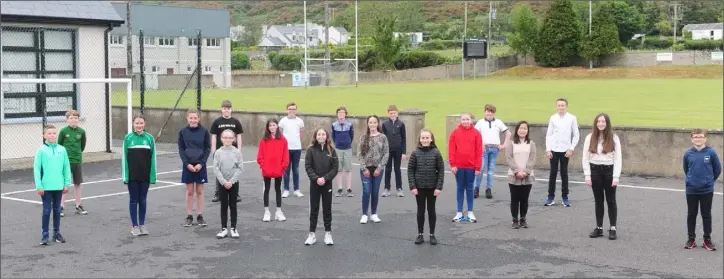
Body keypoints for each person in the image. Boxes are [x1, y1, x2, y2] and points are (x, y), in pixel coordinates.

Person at [582, 113, 622, 240]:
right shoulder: (590, 137)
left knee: (611, 200)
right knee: (598, 200)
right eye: (598, 121)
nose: (600, 123)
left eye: (603, 121)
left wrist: (616, 177)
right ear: (595, 123)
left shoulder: (614, 138)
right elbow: (585, 157)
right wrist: (587, 175)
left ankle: (613, 228)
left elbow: (618, 159)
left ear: (607, 123)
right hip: (595, 171)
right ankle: (599, 227)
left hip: (609, 171)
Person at [682, 129, 721, 251]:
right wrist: (691, 181)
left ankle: (707, 240)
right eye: (695, 137)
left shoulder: (711, 153)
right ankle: (691, 239)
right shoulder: (688, 154)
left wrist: (708, 181)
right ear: (692, 139)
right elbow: (686, 169)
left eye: (700, 136)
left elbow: (717, 169)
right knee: (691, 215)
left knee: (706, 215)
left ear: (705, 138)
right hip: (692, 190)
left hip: (706, 190)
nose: (698, 139)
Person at [34, 125, 71, 245]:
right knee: (46, 211)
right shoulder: (41, 150)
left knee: (57, 210)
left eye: (54, 133)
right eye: (49, 133)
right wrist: (39, 185)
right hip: (46, 187)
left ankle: (56, 234)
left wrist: (66, 183)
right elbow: (36, 169)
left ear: (57, 135)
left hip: (59, 186)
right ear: (44, 136)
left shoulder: (62, 149)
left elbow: (66, 167)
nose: (52, 135)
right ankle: (45, 235)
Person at [122, 114, 157, 236]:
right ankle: (134, 226)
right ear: (133, 124)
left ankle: (142, 224)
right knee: (133, 200)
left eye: (141, 123)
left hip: (145, 176)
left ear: (145, 124)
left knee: (142, 200)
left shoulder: (150, 138)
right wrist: (125, 176)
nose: (139, 125)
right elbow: (124, 159)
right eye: (137, 123)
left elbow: (153, 159)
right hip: (132, 176)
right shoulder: (128, 138)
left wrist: (152, 176)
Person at [408, 129, 444, 245]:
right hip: (419, 187)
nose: (425, 140)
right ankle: (420, 234)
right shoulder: (415, 153)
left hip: (432, 187)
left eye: (427, 138)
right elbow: (410, 170)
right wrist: (413, 186)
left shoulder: (436, 152)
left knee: (431, 210)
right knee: (420, 211)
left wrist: (438, 187)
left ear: (431, 139)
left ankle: (432, 234)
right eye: (423, 138)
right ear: (419, 139)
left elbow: (441, 170)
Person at [304, 128, 339, 246]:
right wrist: (316, 178)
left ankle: (328, 233)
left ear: (326, 136)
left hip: (327, 184)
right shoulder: (310, 150)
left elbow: (335, 168)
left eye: (323, 134)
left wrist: (325, 178)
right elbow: (308, 167)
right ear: (315, 136)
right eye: (319, 134)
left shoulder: (332, 150)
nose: (321, 136)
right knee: (314, 209)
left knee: (327, 209)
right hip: (315, 184)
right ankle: (311, 234)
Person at [178, 109, 211, 227]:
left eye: (195, 118)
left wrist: (201, 164)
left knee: (200, 191)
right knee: (190, 191)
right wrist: (187, 164)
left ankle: (200, 216)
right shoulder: (182, 132)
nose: (193, 120)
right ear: (187, 118)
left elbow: (207, 149)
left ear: (199, 119)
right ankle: (189, 216)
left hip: (200, 166)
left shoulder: (204, 132)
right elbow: (181, 149)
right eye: (190, 118)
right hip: (188, 166)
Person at [544, 98, 580, 207]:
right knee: (553, 174)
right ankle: (551, 197)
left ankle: (565, 197)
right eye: (559, 105)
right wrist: (548, 149)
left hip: (565, 150)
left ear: (566, 107)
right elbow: (549, 134)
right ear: (556, 107)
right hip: (554, 150)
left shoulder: (572, 118)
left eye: (562, 105)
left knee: (564, 174)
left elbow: (576, 135)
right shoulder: (553, 118)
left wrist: (571, 148)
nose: (561, 107)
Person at [448, 113, 482, 222]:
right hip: (459, 166)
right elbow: (451, 150)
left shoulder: (476, 133)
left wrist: (477, 167)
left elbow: (479, 151)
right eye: (463, 119)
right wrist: (452, 164)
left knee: (470, 188)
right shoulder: (455, 133)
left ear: (471, 120)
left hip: (471, 167)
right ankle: (459, 212)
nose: (465, 121)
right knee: (460, 188)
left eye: (467, 119)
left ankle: (470, 212)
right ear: (460, 120)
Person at [473, 104, 511, 200]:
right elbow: (475, 135)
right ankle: (476, 188)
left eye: (491, 112)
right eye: (487, 111)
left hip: (494, 149)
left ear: (494, 113)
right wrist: (479, 146)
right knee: (480, 169)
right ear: (485, 112)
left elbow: (508, 133)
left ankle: (488, 189)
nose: (489, 113)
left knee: (491, 170)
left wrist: (504, 145)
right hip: (483, 149)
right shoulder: (480, 122)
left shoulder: (498, 122)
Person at [358, 115, 389, 224]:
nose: (372, 124)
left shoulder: (383, 137)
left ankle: (374, 214)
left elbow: (386, 153)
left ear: (377, 123)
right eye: (370, 122)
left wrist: (379, 168)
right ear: (367, 124)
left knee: (375, 191)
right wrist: (364, 168)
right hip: (365, 169)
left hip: (378, 169)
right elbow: (359, 154)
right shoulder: (363, 137)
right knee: (366, 191)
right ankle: (364, 214)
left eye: (374, 122)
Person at [210, 100, 243, 204]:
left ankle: (235, 192)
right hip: (221, 151)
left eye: (228, 108)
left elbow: (239, 136)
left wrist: (239, 150)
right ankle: (218, 193)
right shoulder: (217, 122)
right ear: (221, 109)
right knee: (219, 171)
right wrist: (214, 151)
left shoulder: (235, 122)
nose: (226, 110)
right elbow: (214, 137)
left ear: (231, 110)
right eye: (224, 108)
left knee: (234, 171)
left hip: (233, 152)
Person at [213, 129, 244, 239]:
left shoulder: (237, 152)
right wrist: (223, 181)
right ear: (221, 139)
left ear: (234, 139)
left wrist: (231, 181)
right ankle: (224, 228)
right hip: (222, 184)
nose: (227, 139)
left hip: (233, 184)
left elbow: (240, 168)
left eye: (230, 138)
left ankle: (234, 228)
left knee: (233, 205)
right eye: (225, 137)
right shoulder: (218, 152)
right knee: (223, 206)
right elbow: (216, 168)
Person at [257, 118, 290, 222]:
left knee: (278, 190)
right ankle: (266, 211)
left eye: (274, 125)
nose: (272, 127)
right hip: (267, 170)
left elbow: (285, 156)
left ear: (277, 126)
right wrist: (263, 166)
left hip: (278, 170)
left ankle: (278, 211)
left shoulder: (283, 140)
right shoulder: (264, 140)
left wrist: (282, 167)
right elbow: (260, 156)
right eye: (270, 125)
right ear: (268, 127)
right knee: (266, 190)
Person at [505, 121, 536, 229]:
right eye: (520, 128)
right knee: (515, 199)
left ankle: (523, 219)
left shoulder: (531, 143)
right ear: (517, 129)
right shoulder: (511, 143)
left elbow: (532, 158)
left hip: (527, 175)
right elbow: (509, 158)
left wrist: (526, 171)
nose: (522, 130)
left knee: (524, 199)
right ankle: (514, 220)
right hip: (514, 175)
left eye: (525, 128)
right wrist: (517, 171)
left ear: (527, 130)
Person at [58, 110, 87, 216]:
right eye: (71, 118)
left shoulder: (82, 132)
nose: (73, 120)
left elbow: (82, 146)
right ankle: (61, 206)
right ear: (67, 120)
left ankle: (78, 205)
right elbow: (59, 145)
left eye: (75, 118)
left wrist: (77, 154)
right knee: (65, 184)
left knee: (78, 183)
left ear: (78, 120)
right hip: (66, 161)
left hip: (77, 160)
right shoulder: (63, 131)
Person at [279, 102, 305, 198]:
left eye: (293, 109)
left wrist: (296, 141)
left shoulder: (300, 121)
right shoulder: (282, 121)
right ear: (287, 110)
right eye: (290, 109)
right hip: (285, 149)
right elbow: (280, 134)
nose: (292, 111)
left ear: (296, 110)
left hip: (297, 148)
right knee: (286, 170)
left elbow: (301, 133)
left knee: (296, 169)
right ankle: (286, 190)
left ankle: (296, 190)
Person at [381, 105, 407, 197]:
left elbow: (404, 138)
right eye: (391, 113)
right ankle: (386, 188)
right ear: (388, 114)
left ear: (397, 113)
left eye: (394, 113)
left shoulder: (401, 124)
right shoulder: (384, 124)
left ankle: (399, 188)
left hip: (398, 150)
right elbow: (382, 138)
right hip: (388, 150)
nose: (392, 114)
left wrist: (404, 152)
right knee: (387, 169)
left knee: (397, 169)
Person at [331, 106, 354, 197]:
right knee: (339, 169)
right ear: (337, 115)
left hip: (347, 149)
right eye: (339, 113)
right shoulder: (334, 125)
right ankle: (340, 188)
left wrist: (347, 143)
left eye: (343, 113)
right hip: (338, 149)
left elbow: (351, 136)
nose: (341, 115)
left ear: (345, 114)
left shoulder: (349, 125)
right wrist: (337, 144)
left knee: (348, 169)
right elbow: (333, 137)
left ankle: (349, 189)